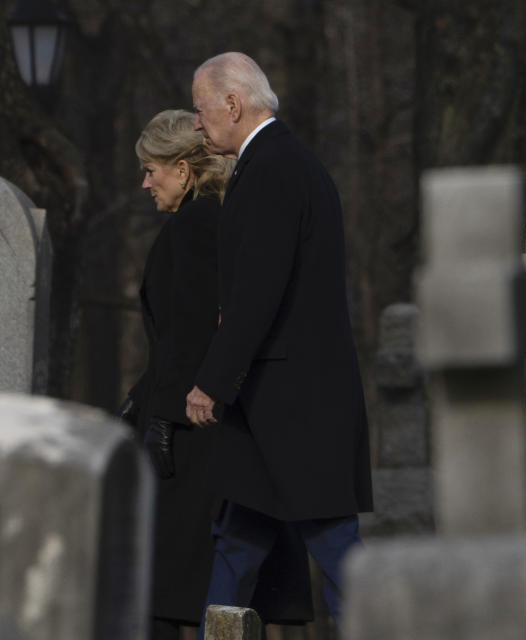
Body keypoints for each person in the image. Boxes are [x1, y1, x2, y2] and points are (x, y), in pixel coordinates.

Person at [185, 52, 374, 629]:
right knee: (237, 539)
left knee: (336, 547)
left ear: (233, 104)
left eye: (201, 108)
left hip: (293, 403)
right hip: (277, 400)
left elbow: (257, 295)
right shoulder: (277, 162)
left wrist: (211, 382)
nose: (197, 123)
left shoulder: (273, 168)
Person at [118, 108, 232, 640]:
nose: (145, 182)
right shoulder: (204, 222)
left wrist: (159, 419)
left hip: (185, 432)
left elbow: (188, 336)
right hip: (182, 418)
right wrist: (137, 399)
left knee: (162, 583)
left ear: (183, 170)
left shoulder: (194, 227)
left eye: (151, 169)